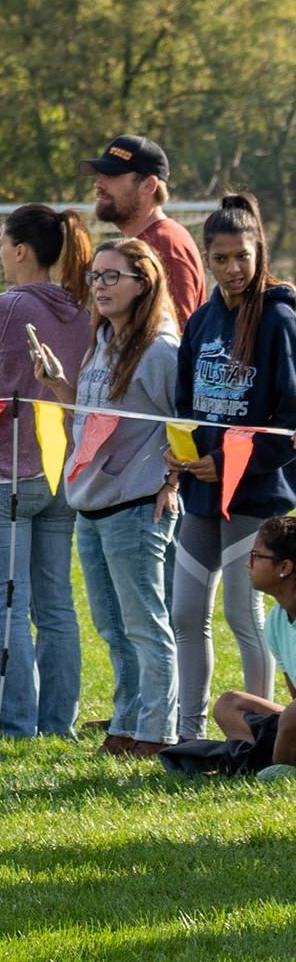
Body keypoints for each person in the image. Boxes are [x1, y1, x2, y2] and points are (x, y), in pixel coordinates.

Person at [0, 204, 93, 739]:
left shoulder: (5, 306)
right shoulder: (82, 306)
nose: (0, 254)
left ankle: (15, 722)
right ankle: (58, 723)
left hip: (6, 475)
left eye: (4, 245)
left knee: (9, 603)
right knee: (56, 605)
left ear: (22, 250)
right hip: (62, 472)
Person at [39, 239, 180, 757]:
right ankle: (125, 725)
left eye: (112, 276)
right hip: (91, 504)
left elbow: (185, 425)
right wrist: (59, 385)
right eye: (95, 276)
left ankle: (157, 733)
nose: (99, 286)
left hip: (137, 506)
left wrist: (171, 483)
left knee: (145, 625)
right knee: (113, 628)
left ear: (144, 283)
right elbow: (92, 417)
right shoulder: (101, 341)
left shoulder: (161, 351)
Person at [170, 193, 296, 740]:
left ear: (258, 251)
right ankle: (189, 735)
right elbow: (184, 404)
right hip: (201, 495)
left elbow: (289, 422)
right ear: (206, 259)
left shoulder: (280, 319)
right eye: (220, 259)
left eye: (242, 256)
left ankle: (260, 736)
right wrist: (182, 453)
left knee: (243, 616)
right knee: (185, 612)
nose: (233, 268)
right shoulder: (201, 321)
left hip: (256, 495)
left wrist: (226, 462)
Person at [85, 135, 205, 324]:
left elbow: (178, 334)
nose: (98, 184)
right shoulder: (146, 241)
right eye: (99, 175)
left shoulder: (164, 244)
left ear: (149, 185)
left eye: (112, 175)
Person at [212, 517, 296, 776]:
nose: (248, 564)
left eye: (256, 556)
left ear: (285, 567)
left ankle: (278, 767)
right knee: (229, 705)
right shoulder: (276, 621)